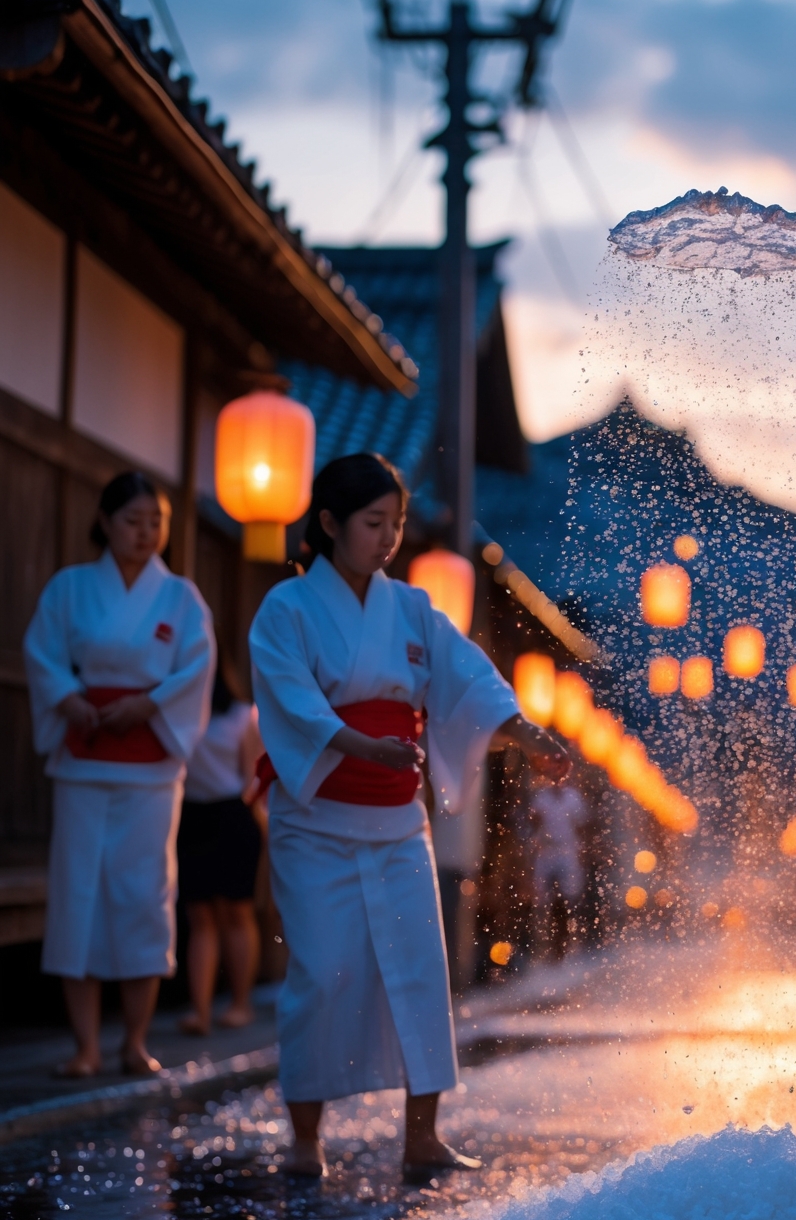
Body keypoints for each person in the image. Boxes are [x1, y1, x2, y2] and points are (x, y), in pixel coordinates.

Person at [248, 453, 571, 1182]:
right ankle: (307, 1137)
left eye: (396, 523)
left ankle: (422, 1134)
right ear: (329, 524)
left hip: (396, 817)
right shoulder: (288, 609)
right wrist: (363, 743)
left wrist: (524, 730)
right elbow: (292, 702)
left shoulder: (413, 607)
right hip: (318, 815)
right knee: (323, 972)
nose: (389, 537)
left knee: (420, 968)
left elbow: (466, 677)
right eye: (373, 523)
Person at [23, 471, 213, 1078]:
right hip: (85, 753)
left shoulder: (182, 598)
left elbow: (195, 669)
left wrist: (151, 703)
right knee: (77, 897)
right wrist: (70, 698)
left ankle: (133, 1042)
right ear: (105, 521)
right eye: (134, 521)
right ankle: (85, 1046)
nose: (146, 533)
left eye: (155, 523)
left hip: (150, 764)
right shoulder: (70, 588)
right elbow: (43, 654)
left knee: (143, 897)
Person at [176, 644, 265, 1033]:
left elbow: (253, 779)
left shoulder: (243, 715)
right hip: (191, 813)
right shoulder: (180, 713)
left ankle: (241, 1002)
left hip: (233, 813)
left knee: (236, 911)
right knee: (199, 914)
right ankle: (201, 1010)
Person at [529, 769, 591, 961]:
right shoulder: (541, 797)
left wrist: (583, 852)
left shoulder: (574, 798)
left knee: (568, 897)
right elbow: (534, 823)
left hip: (567, 849)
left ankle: (568, 940)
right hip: (547, 850)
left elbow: (581, 825)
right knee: (541, 898)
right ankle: (543, 942)